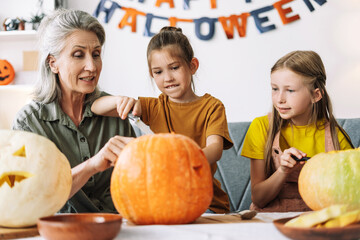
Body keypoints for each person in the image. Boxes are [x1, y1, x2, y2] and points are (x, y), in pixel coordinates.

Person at [91, 27, 233, 213]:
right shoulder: (153, 107)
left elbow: (214, 150)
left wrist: (178, 160)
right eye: (158, 72)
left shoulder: (212, 107)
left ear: (192, 66)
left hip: (206, 203)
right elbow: (95, 107)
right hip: (164, 202)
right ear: (152, 74)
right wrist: (119, 100)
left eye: (174, 68)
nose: (167, 78)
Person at [12, 9, 136, 213]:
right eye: (78, 55)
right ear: (53, 64)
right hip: (60, 231)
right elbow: (30, 197)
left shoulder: (115, 113)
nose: (92, 66)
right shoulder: (29, 123)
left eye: (96, 54)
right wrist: (92, 165)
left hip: (118, 228)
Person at [241, 50, 354, 212]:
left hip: (318, 219)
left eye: (290, 90)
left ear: (316, 95)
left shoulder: (337, 137)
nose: (279, 99)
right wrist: (283, 170)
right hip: (269, 220)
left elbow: (348, 197)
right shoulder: (260, 127)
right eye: (274, 89)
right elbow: (259, 198)